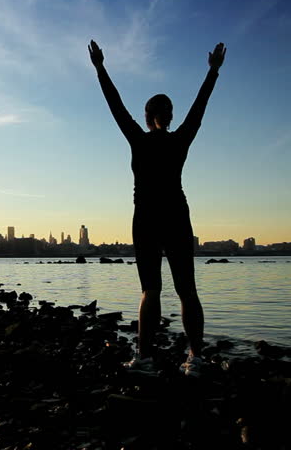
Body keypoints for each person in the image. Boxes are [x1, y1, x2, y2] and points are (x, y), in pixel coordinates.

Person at [89, 39, 226, 376]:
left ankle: (145, 358)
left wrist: (100, 68)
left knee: (151, 289)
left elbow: (115, 104)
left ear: (147, 117)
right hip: (177, 216)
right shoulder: (181, 140)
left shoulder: (139, 138)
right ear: (169, 116)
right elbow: (200, 105)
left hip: (147, 218)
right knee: (187, 291)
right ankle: (195, 359)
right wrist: (213, 72)